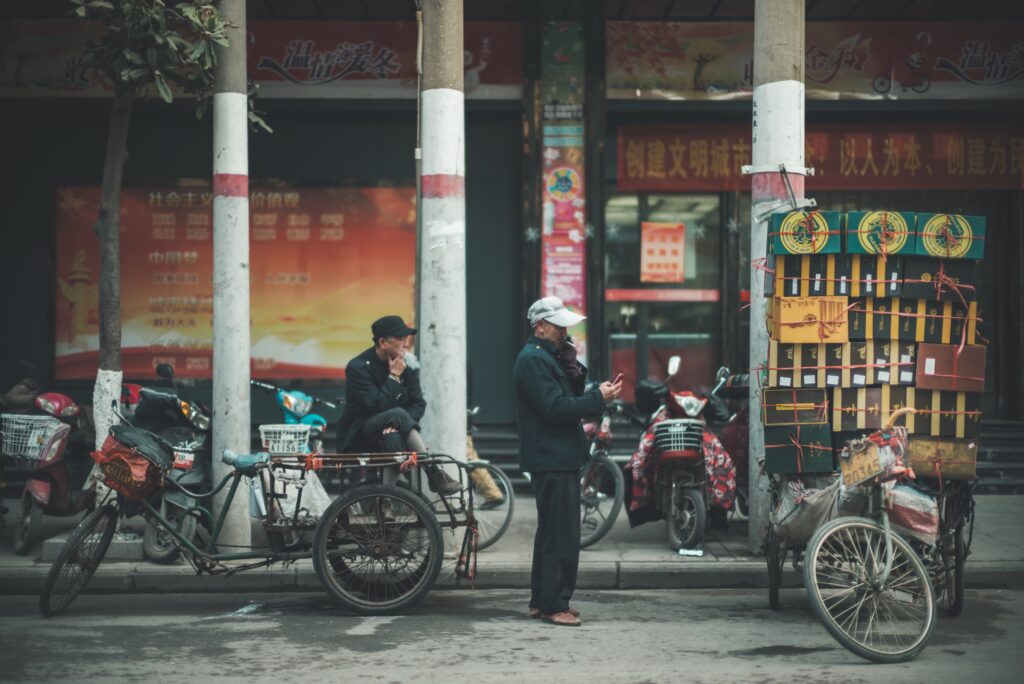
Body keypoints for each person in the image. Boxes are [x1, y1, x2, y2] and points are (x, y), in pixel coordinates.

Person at [513, 296, 622, 627]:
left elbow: (565, 397)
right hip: (552, 456)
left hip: (557, 455)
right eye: (559, 326)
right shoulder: (533, 360)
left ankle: (542, 600)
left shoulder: (545, 357)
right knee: (561, 534)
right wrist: (597, 398)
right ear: (541, 326)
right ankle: (553, 604)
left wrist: (574, 369)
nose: (565, 333)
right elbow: (556, 408)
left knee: (551, 533)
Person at [335, 315, 460, 495]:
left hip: (391, 431)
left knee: (393, 438)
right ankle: (433, 472)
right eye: (401, 339)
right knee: (398, 414)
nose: (406, 345)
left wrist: (394, 425)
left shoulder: (408, 366)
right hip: (360, 433)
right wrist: (393, 377)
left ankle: (386, 501)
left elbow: (418, 404)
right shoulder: (358, 367)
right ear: (383, 342)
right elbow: (374, 405)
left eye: (407, 339)